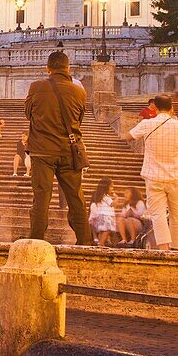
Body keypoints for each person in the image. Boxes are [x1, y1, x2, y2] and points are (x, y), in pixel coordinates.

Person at [24, 50, 91, 244]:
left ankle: (36, 241)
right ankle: (85, 241)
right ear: (68, 68)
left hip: (42, 151)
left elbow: (28, 113)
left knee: (41, 198)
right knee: (76, 198)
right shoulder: (79, 91)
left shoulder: (36, 87)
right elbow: (79, 120)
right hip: (70, 151)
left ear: (48, 68)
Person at [129, 94, 178, 250]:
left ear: (155, 107)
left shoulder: (147, 124)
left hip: (154, 177)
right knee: (177, 213)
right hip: (175, 176)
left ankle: (164, 248)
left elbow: (129, 136)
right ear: (172, 108)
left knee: (158, 214)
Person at [88, 178, 118, 247]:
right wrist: (116, 198)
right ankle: (101, 243)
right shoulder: (105, 196)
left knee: (103, 231)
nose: (112, 188)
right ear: (106, 187)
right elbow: (112, 204)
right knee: (107, 230)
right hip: (105, 216)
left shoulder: (100, 195)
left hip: (102, 215)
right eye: (111, 186)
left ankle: (100, 242)